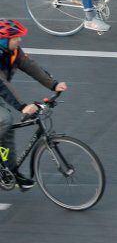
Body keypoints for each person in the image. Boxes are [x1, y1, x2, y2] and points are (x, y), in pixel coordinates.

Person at [0, 20, 68, 190]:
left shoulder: (13, 51)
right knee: (4, 119)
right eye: (16, 38)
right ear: (3, 40)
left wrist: (52, 84)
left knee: (6, 131)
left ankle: (9, 173)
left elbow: (31, 66)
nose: (20, 40)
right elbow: (2, 84)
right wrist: (22, 106)